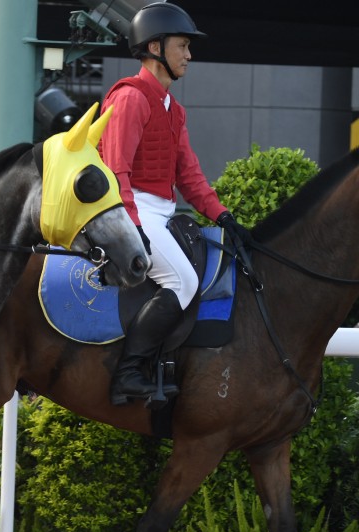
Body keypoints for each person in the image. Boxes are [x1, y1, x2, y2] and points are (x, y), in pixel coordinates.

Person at [99, 2, 244, 406]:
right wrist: (131, 227)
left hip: (161, 210)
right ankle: (128, 373)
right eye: (183, 46)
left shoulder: (173, 109)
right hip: (132, 210)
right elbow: (115, 171)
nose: (189, 55)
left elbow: (190, 176)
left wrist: (222, 216)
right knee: (182, 281)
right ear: (156, 47)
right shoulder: (130, 98)